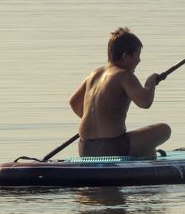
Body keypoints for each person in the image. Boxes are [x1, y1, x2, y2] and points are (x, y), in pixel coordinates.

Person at [69, 27, 171, 158]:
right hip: (113, 148)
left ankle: (146, 153)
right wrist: (150, 84)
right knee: (164, 130)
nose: (139, 60)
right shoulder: (124, 75)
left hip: (85, 148)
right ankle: (147, 156)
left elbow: (73, 102)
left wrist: (98, 121)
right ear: (125, 56)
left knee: (147, 145)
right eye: (137, 55)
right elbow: (145, 102)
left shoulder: (94, 74)